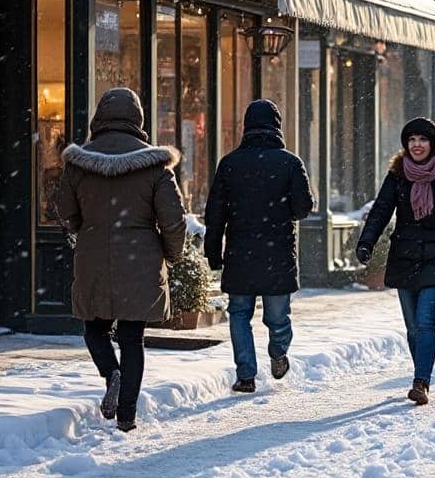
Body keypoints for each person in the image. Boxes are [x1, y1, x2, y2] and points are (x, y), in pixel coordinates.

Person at [55, 88, 187, 431]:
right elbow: (173, 219)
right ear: (138, 120)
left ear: (99, 118)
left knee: (94, 328)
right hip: (140, 258)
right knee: (132, 337)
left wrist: (84, 228)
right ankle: (127, 415)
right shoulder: (156, 165)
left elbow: (64, 208)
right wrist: (171, 254)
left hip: (93, 254)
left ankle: (110, 372)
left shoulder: (78, 162)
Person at [356, 118, 435, 405]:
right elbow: (381, 211)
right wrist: (366, 242)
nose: (417, 145)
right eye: (411, 140)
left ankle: (421, 381)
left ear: (433, 144)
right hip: (404, 258)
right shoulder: (398, 176)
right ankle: (421, 370)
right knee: (412, 327)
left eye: (422, 140)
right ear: (405, 145)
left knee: (425, 322)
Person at [204, 100, 315, 394]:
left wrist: (213, 253)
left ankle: (246, 375)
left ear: (246, 127)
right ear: (277, 126)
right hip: (277, 253)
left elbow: (214, 214)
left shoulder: (230, 164)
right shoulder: (290, 163)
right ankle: (278, 352)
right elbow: (304, 208)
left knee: (239, 313)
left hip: (240, 252)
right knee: (277, 316)